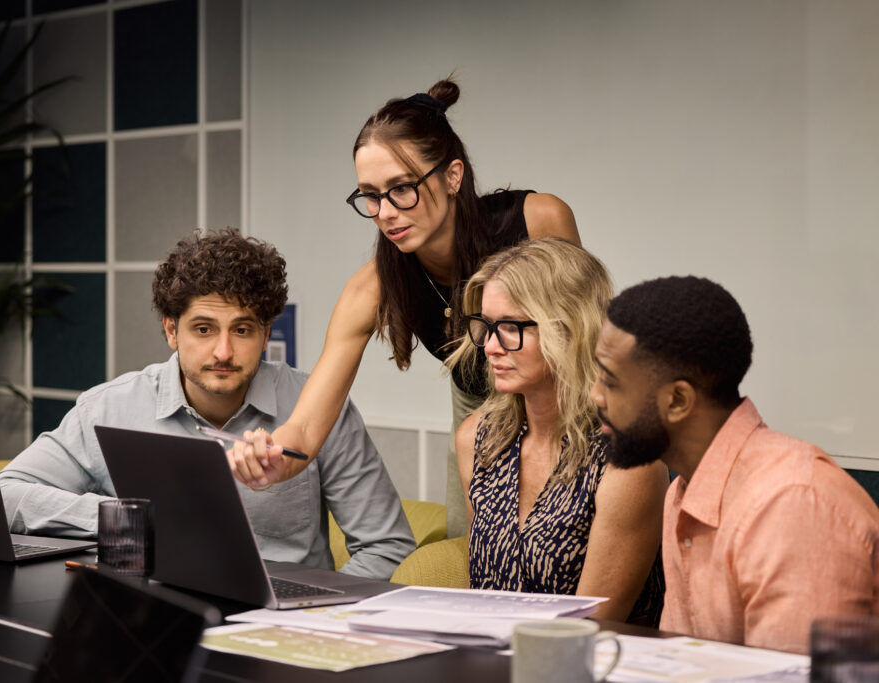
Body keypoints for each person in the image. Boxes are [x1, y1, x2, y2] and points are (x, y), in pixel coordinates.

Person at [229, 78, 580, 538]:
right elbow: (308, 425)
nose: (386, 212)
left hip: (564, 401)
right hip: (478, 411)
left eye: (401, 188)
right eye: (370, 196)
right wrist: (272, 458)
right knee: (474, 554)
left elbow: (586, 346)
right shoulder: (374, 285)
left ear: (452, 175)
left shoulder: (538, 219)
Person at [0, 228, 415, 580]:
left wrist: (322, 617)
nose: (223, 351)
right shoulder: (108, 408)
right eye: (203, 328)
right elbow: (6, 492)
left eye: (242, 329)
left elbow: (388, 547)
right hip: (151, 619)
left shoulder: (319, 408)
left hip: (276, 629)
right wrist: (125, 520)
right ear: (170, 331)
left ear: (266, 333)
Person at [589, 275, 879, 652]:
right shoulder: (683, 490)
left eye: (610, 382)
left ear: (678, 401)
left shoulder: (792, 504)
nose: (595, 394)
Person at [448, 239, 667, 625]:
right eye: (485, 326)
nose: (490, 347)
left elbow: (588, 630)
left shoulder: (629, 462)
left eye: (511, 327)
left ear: (570, 329)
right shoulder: (476, 438)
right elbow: (477, 598)